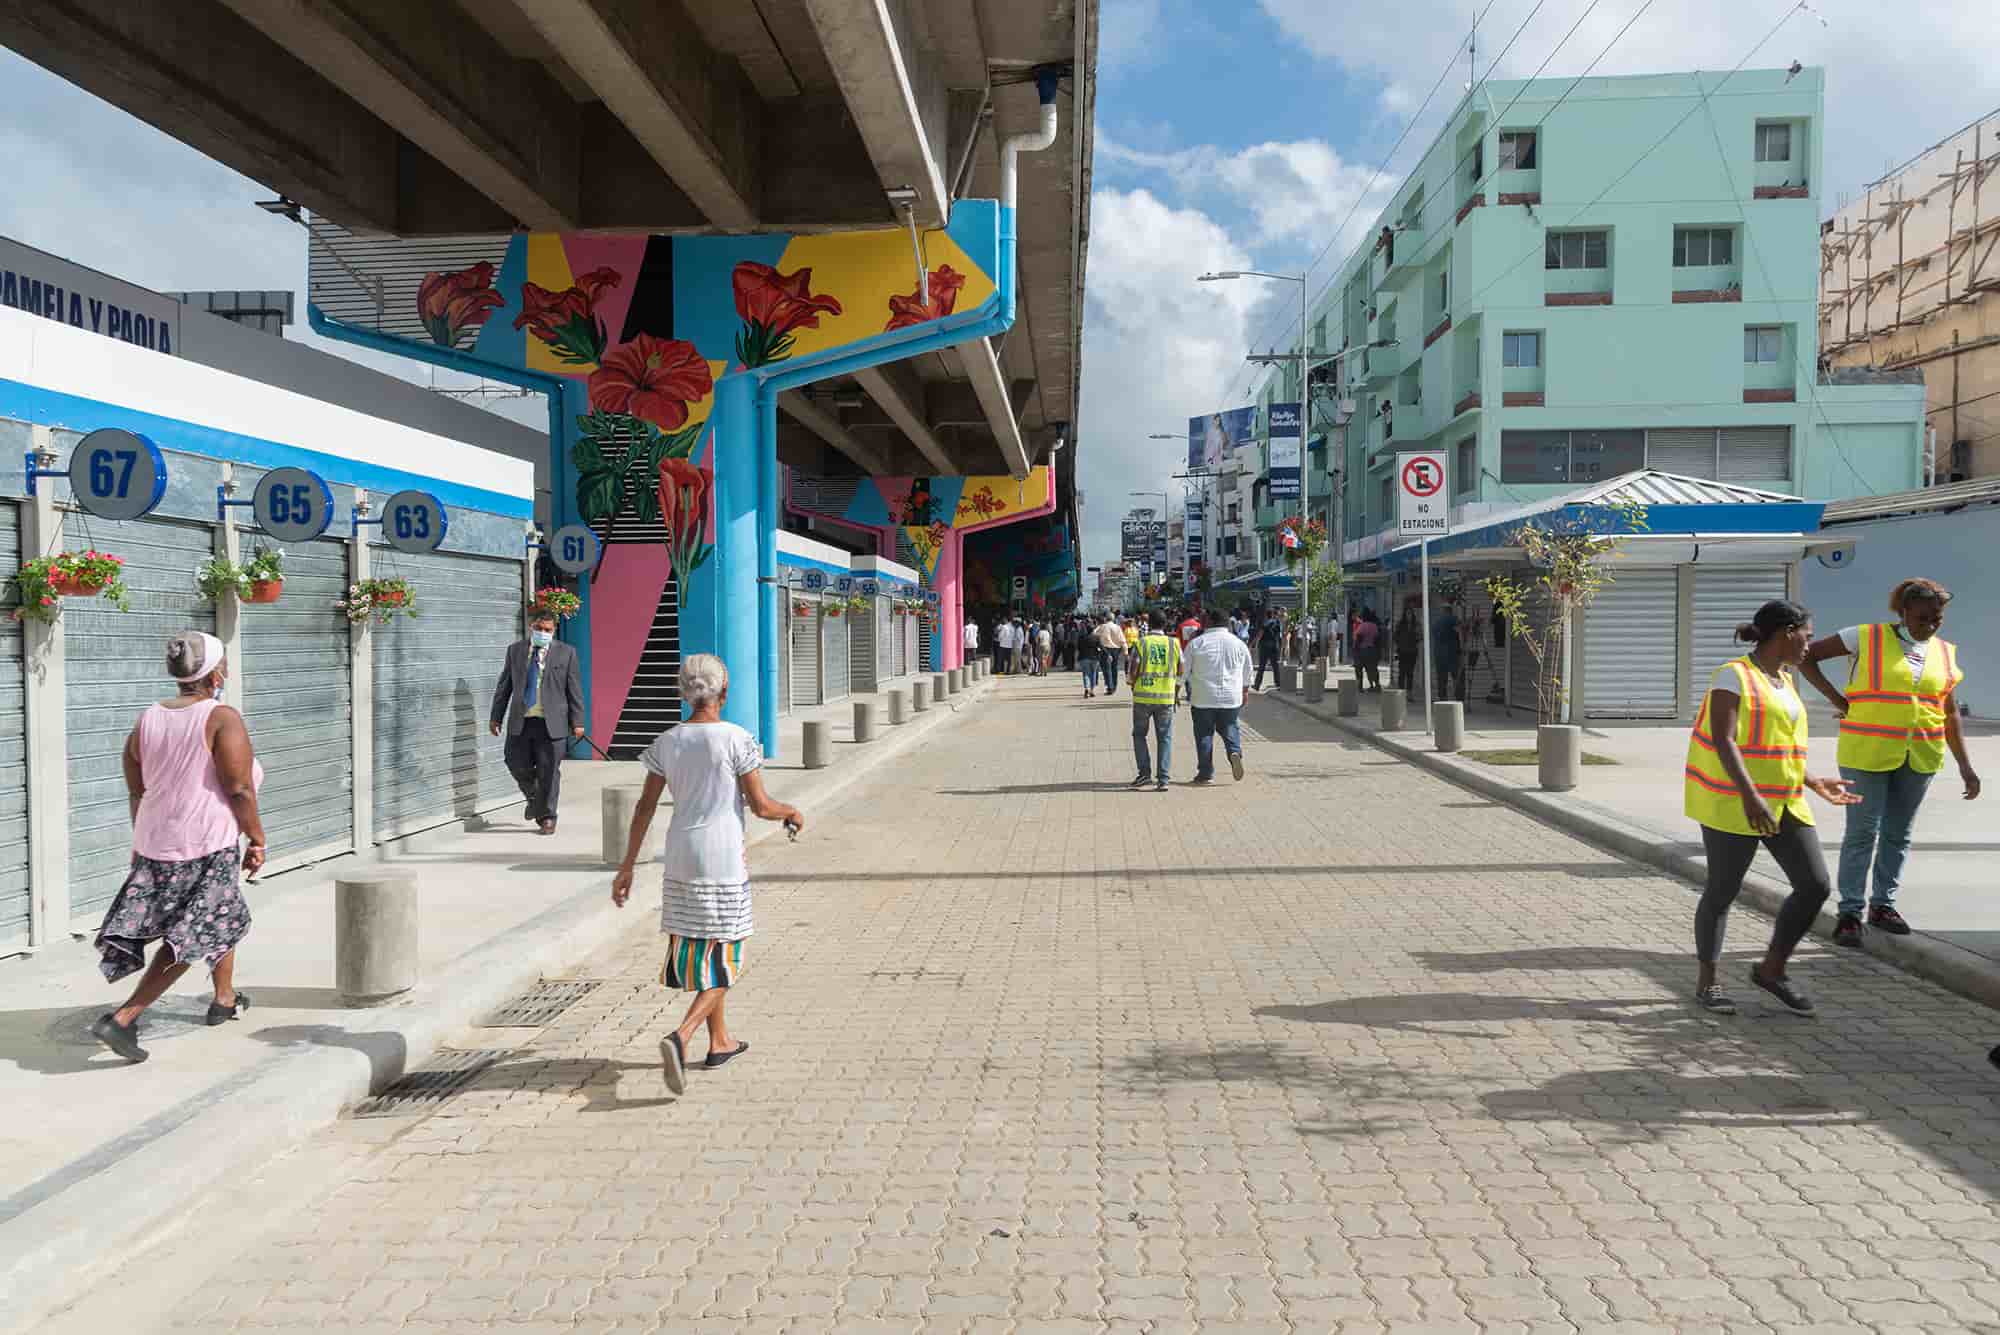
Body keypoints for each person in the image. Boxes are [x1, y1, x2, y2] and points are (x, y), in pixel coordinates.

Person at [611, 655, 803, 1094]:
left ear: (684, 691)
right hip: (722, 858)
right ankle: (682, 1036)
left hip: (679, 856)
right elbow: (761, 805)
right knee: (729, 953)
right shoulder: (736, 739)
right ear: (724, 692)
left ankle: (721, 1041)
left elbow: (643, 808)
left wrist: (626, 867)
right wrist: (791, 811)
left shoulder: (667, 741)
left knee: (703, 948)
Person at [89, 632, 266, 1063]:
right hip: (205, 845)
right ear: (215, 673)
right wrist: (258, 838)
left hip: (158, 845)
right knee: (195, 931)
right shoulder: (221, 718)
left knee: (218, 914)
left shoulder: (146, 719)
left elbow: (137, 790)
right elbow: (239, 788)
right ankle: (124, 1018)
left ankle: (224, 998)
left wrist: (140, 841)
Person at [1684, 600, 1859, 1015]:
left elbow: (1778, 747)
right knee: (1722, 892)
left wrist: (1814, 781)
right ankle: (1708, 981)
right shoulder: (1733, 676)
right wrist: (1750, 795)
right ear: (1786, 632)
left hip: (1785, 801)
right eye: (1808, 637)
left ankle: (1771, 970)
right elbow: (1725, 740)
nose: (1809, 647)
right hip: (1734, 802)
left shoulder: (1784, 680)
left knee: (1815, 886)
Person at [1797, 577, 1980, 945]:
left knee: (1899, 834)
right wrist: (1838, 701)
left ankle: (1883, 905)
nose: (1931, 626)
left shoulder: (1944, 652)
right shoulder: (1864, 636)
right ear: (1903, 612)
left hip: (1921, 754)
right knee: (1863, 832)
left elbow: (1948, 712)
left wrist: (1965, 765)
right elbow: (1807, 656)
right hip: (1867, 751)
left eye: (1937, 619)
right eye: (1923, 618)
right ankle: (1850, 912)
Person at [490, 610, 586, 835]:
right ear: (531, 627)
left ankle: (547, 817)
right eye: (539, 629)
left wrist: (578, 721)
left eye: (548, 630)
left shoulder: (567, 653)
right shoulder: (515, 651)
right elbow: (505, 686)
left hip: (552, 723)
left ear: (554, 631)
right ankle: (535, 797)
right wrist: (496, 716)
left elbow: (575, 690)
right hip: (522, 720)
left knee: (549, 771)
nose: (543, 633)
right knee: (515, 762)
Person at [1181, 606, 1252, 784]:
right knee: (1230, 727)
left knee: (1204, 734)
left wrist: (1176, 690)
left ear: (1209, 622)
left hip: (1202, 697)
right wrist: (1245, 691)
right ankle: (1234, 751)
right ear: (1228, 623)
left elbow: (1183, 671)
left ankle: (1205, 773)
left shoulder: (1197, 643)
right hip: (1231, 696)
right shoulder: (1239, 644)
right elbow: (1247, 670)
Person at [1130, 611, 1182, 791]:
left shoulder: (1141, 643)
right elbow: (1181, 669)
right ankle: (1163, 779)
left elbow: (1134, 667)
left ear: (1149, 624)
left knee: (1139, 735)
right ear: (1166, 624)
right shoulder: (1173, 643)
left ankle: (1144, 774)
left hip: (1142, 697)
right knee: (1165, 738)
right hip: (1166, 697)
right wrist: (1176, 692)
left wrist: (1132, 684)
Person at [1432, 603, 1463, 702]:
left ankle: (1443, 699)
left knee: (1441, 678)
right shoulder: (1453, 619)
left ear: (1443, 610)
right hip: (1452, 652)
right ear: (1450, 610)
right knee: (1456, 676)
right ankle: (1458, 699)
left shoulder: (1436, 622)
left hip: (1439, 654)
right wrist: (1462, 646)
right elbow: (1460, 631)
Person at [1094, 615, 1126, 695]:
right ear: (1113, 619)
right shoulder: (1117, 627)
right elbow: (1122, 639)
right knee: (1114, 668)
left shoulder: (1102, 627)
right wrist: (1125, 651)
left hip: (1105, 649)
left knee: (1106, 669)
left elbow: (1094, 634)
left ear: (1106, 618)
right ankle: (1114, 686)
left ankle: (1110, 686)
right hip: (1116, 650)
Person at [1353, 609, 1383, 692]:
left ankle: (1360, 687)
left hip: (1362, 651)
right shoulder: (1374, 626)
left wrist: (1355, 650)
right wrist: (1378, 652)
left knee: (1359, 668)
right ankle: (1376, 685)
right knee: (1373, 669)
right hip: (1372, 650)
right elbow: (1377, 640)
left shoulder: (1362, 626)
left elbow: (1358, 638)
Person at [1393, 606, 1421, 693]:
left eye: (1410, 614)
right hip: (1402, 651)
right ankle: (1400, 692)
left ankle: (1409, 692)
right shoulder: (1400, 624)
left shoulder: (1416, 624)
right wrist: (1400, 644)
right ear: (1404, 615)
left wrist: (1416, 636)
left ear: (1413, 615)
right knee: (1402, 672)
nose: (1409, 616)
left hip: (1412, 651)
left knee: (1410, 672)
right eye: (1407, 614)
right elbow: (1395, 637)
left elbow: (1420, 637)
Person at [1253, 609, 1281, 691]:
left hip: (1264, 646)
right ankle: (1278, 684)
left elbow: (1260, 634)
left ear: (1266, 615)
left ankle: (1257, 685)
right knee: (1275, 666)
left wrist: (1254, 644)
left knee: (1262, 666)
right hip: (1274, 646)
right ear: (1273, 615)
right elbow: (1279, 635)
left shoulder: (1264, 623)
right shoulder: (1277, 623)